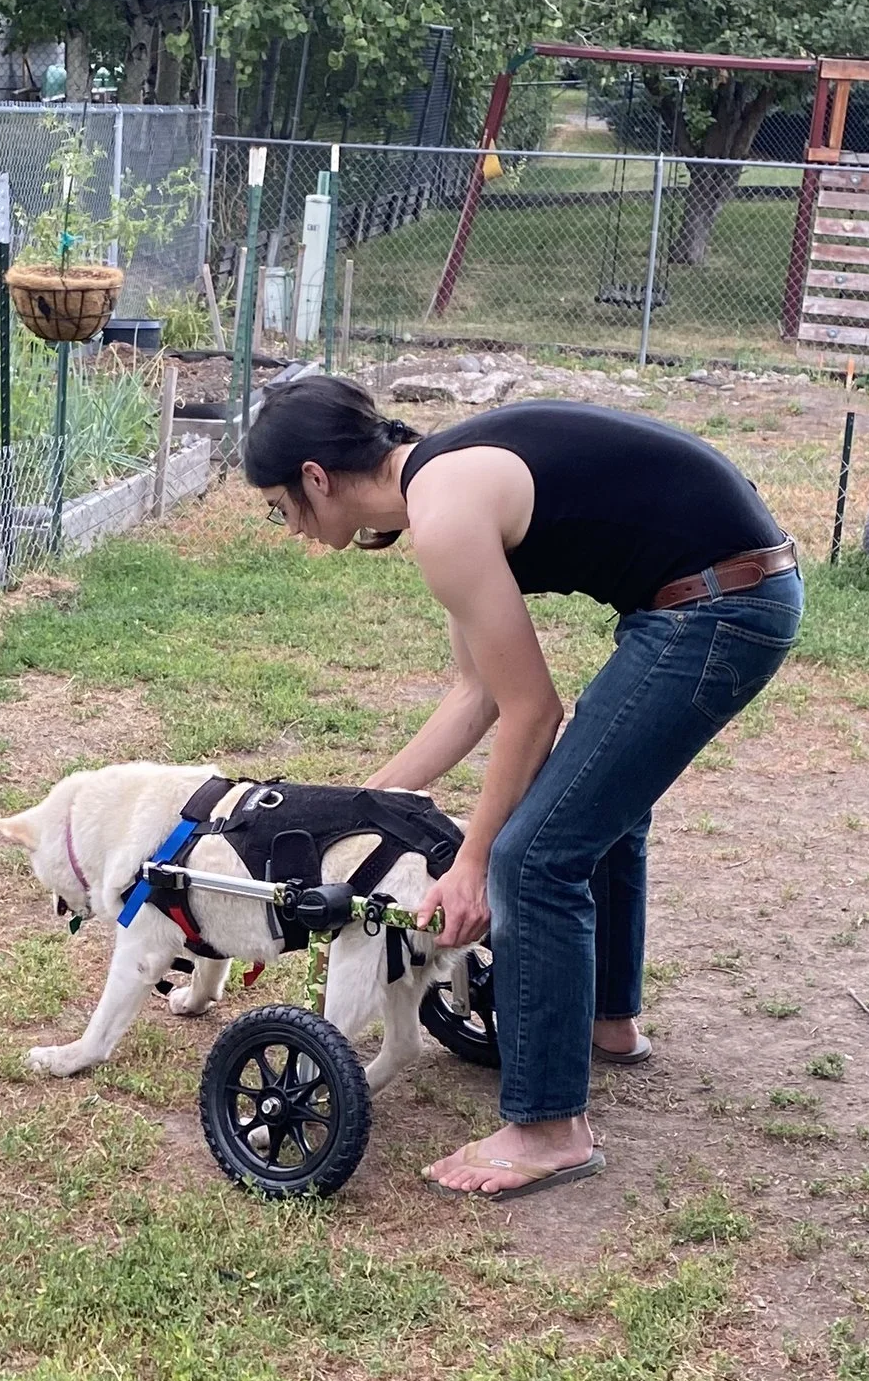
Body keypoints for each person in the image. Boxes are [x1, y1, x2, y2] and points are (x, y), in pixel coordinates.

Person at [242, 376, 800, 1198]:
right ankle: (608, 1020)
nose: (287, 527)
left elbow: (532, 712)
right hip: (720, 590)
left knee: (532, 857)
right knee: (595, 806)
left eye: (279, 507)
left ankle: (548, 1130)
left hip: (721, 604)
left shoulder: (444, 518)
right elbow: (475, 697)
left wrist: (472, 863)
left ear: (316, 478)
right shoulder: (439, 486)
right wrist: (356, 809)